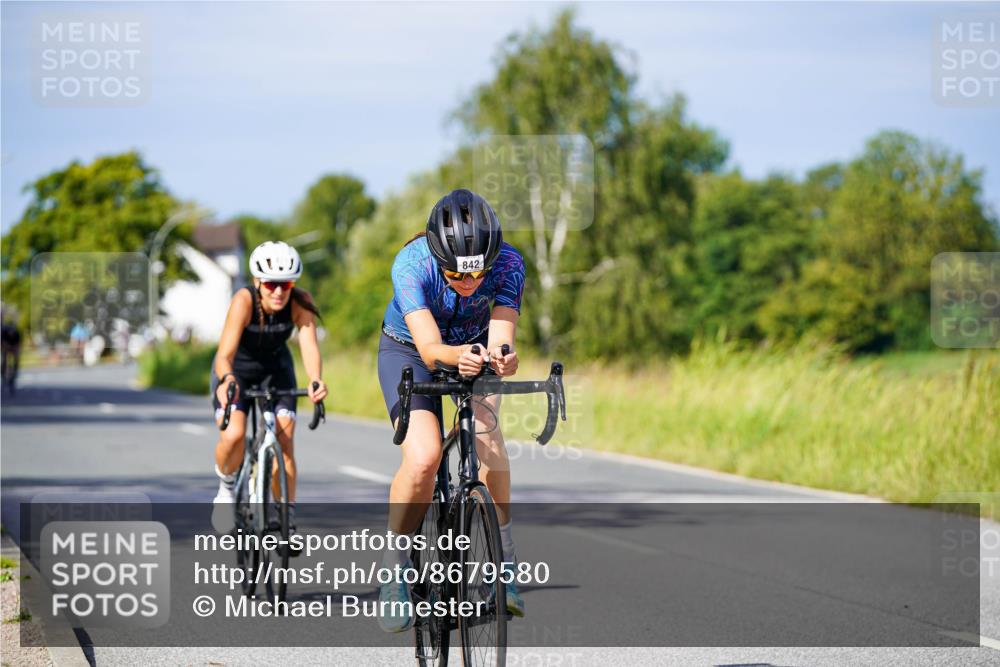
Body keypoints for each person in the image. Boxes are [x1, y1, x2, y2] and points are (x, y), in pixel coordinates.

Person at [376, 189, 526, 632]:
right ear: (436, 257)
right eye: (455, 275)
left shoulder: (510, 263)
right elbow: (428, 347)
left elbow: (502, 335)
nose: (468, 283)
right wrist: (454, 354)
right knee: (424, 458)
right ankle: (395, 566)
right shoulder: (411, 263)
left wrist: (504, 356)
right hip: (408, 351)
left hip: (474, 349)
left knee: (487, 436)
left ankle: (505, 561)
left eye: (476, 273)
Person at [210, 241, 328, 538]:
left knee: (285, 441)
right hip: (237, 372)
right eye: (272, 284)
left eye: (285, 284)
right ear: (257, 282)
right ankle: (226, 487)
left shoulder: (300, 302)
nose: (279, 291)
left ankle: (286, 517)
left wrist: (315, 379)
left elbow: (310, 346)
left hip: (277, 373)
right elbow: (224, 355)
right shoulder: (244, 301)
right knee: (234, 434)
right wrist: (227, 381)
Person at [1, 311, 22, 394]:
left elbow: (18, 344)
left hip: (14, 346)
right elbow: (2, 343)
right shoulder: (4, 331)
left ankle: (16, 369)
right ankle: (3, 371)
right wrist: (6, 347)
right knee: (4, 357)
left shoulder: (17, 332)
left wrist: (16, 351)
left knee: (17, 357)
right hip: (6, 345)